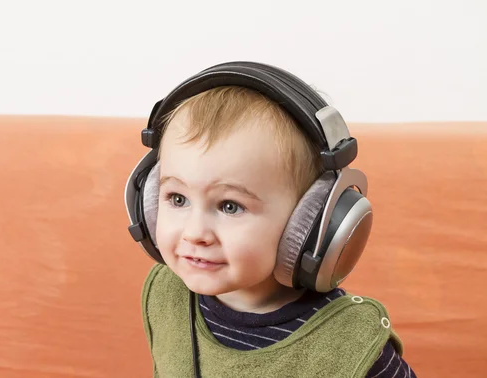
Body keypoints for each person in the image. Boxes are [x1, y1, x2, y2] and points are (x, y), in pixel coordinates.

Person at [125, 61, 417, 377]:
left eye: (229, 206)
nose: (195, 233)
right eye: (177, 199)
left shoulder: (348, 347)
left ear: (310, 221)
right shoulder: (168, 296)